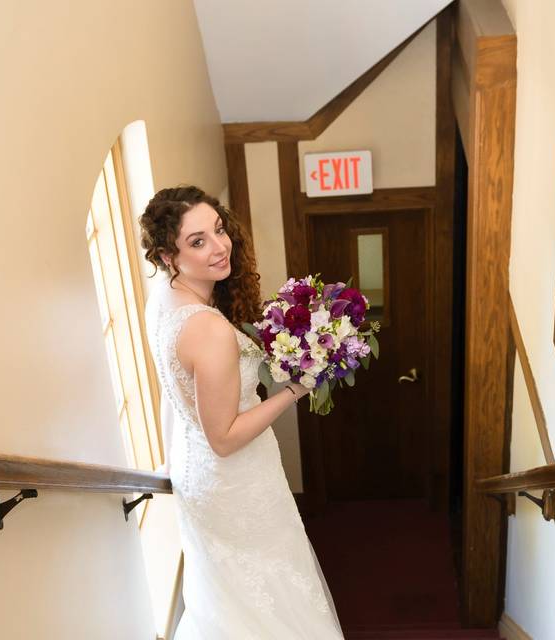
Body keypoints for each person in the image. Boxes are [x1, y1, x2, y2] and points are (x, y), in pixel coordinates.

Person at [140, 185, 344, 639]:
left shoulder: (164, 301)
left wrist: (174, 465)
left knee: (231, 601)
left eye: (218, 230)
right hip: (235, 481)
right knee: (269, 600)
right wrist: (296, 387)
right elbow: (226, 438)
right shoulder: (207, 329)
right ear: (167, 256)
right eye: (197, 241)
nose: (219, 246)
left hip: (199, 474)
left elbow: (174, 394)